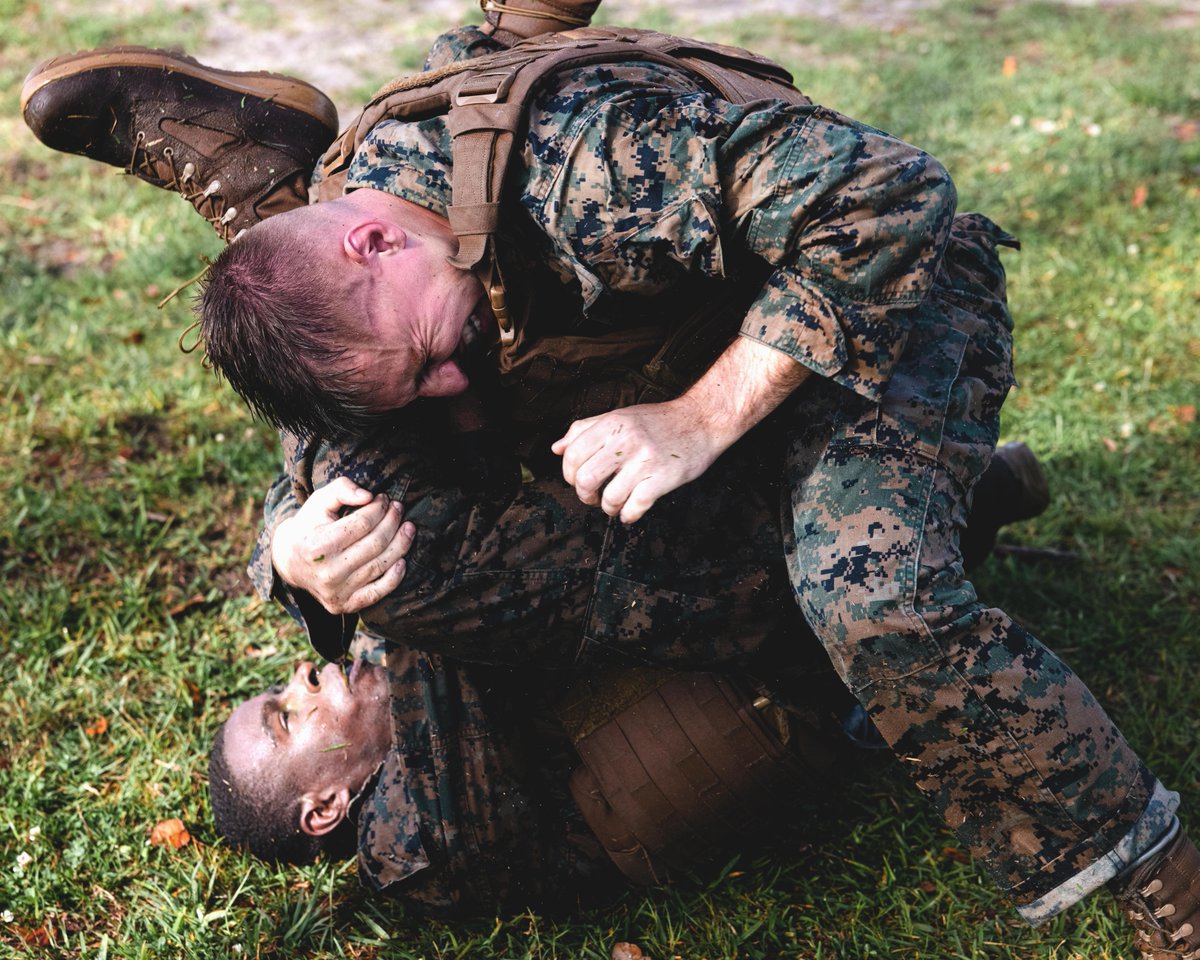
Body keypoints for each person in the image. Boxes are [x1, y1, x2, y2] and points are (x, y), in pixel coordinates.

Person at [22, 12, 1197, 960]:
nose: (445, 391)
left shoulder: (589, 177)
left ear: (373, 240)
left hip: (892, 302)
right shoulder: (422, 839)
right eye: (285, 718)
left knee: (872, 594)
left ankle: (1151, 862)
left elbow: (889, 201)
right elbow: (366, 438)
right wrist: (294, 548)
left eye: (429, 356)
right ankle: (281, 197)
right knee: (392, 450)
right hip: (676, 419)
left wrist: (701, 418)